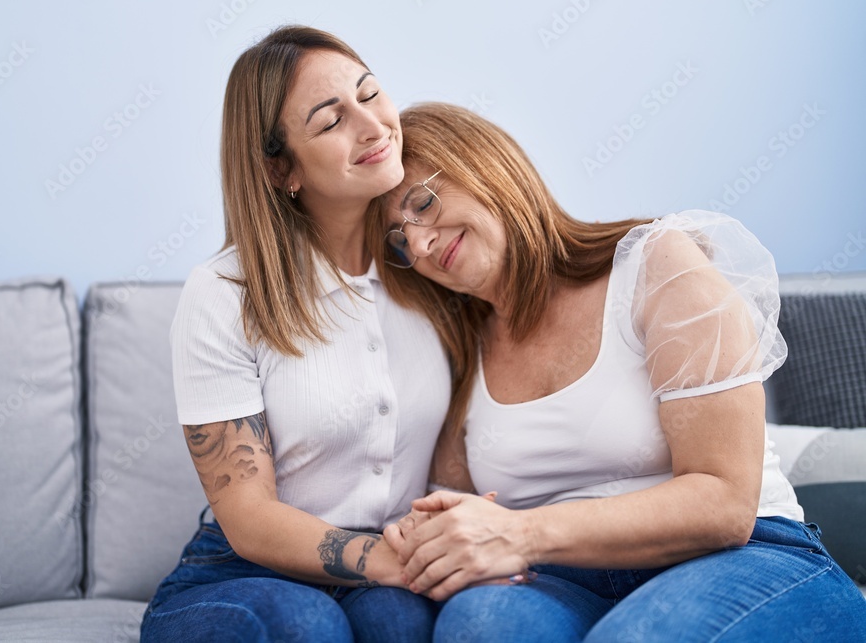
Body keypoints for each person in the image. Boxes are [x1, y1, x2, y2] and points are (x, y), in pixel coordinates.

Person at [370, 102, 866, 642]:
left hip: (749, 555)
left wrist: (520, 531)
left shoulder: (655, 265)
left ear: (486, 164)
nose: (418, 243)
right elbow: (461, 510)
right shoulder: (460, 351)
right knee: (478, 626)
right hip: (566, 577)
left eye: (422, 203)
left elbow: (725, 505)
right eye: (399, 239)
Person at [139, 27, 451, 642]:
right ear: (282, 168)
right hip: (242, 572)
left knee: (402, 626)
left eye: (370, 94)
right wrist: (394, 561)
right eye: (331, 121)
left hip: (384, 563)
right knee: (303, 624)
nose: (373, 126)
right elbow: (250, 520)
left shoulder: (430, 266)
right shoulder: (225, 293)